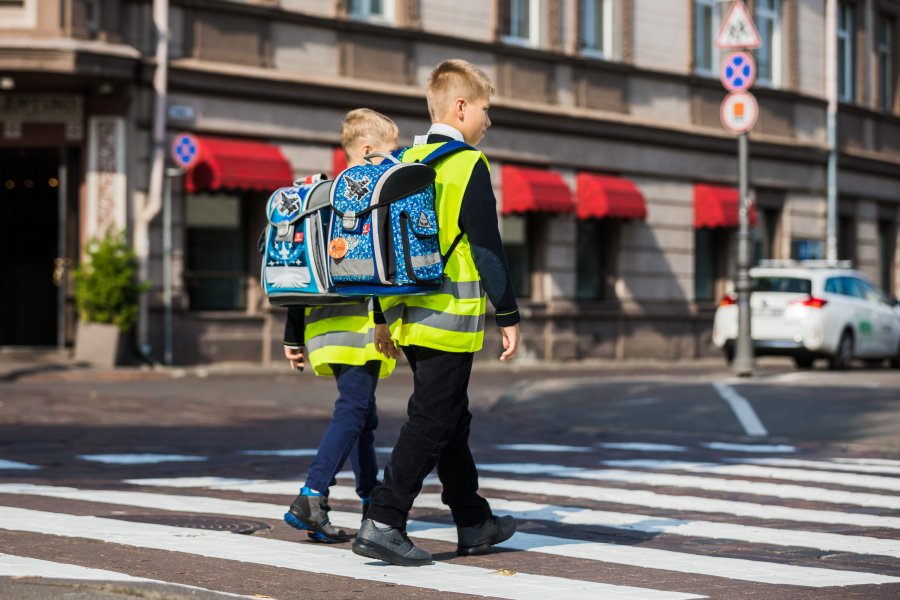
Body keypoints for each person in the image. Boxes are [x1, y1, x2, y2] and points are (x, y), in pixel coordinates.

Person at [352, 59, 520, 566]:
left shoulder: (404, 158)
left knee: (452, 419)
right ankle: (384, 518)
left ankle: (473, 520)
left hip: (407, 315)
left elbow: (379, 246)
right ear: (461, 107)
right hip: (450, 315)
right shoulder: (469, 164)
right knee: (433, 418)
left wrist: (381, 316)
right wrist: (508, 314)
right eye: (485, 110)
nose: (488, 122)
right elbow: (487, 248)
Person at [282, 108, 403, 543]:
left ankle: (370, 499)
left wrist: (292, 334)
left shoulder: (320, 197)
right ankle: (312, 496)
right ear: (367, 150)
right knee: (353, 411)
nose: (396, 160)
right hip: (359, 327)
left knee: (363, 416)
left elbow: (301, 267)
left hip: (320, 326)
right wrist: (384, 321)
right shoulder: (364, 197)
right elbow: (376, 268)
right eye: (391, 152)